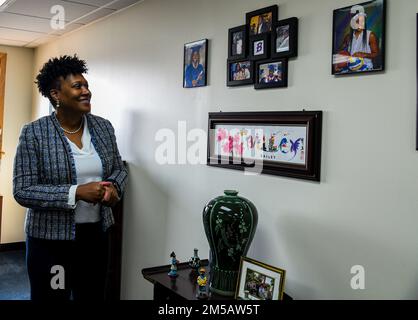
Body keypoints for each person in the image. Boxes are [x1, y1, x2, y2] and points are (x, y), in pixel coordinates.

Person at [13, 55, 128, 301]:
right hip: (50, 242)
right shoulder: (34, 132)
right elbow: (23, 190)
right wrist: (75, 192)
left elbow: (119, 169)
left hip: (95, 236)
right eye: (78, 86)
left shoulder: (104, 127)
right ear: (56, 94)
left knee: (91, 295)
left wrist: (114, 188)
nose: (86, 91)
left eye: (86, 85)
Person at [334, 6, 380, 72]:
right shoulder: (348, 37)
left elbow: (376, 54)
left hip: (365, 67)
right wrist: (337, 64)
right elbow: (340, 52)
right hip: (350, 68)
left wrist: (364, 54)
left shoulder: (370, 35)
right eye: (357, 22)